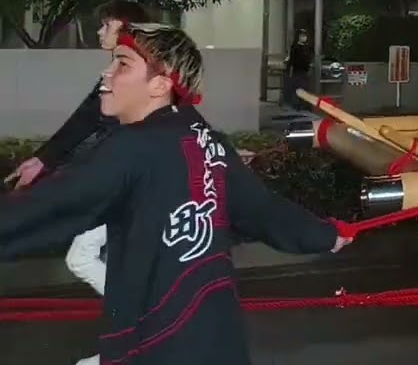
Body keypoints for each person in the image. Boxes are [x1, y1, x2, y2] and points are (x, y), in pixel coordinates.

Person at [0, 23, 349, 365]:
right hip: (218, 339)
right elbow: (264, 211)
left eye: (122, 64)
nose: (106, 74)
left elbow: (47, 208)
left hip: (157, 343)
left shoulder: (133, 145)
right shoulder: (208, 140)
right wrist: (326, 234)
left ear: (161, 84)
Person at [5, 0, 150, 319]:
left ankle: (143, 317)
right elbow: (85, 119)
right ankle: (142, 319)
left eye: (107, 24)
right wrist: (42, 160)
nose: (99, 31)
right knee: (101, 257)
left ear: (126, 28)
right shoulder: (121, 69)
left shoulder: (140, 72)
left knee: (83, 256)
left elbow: (172, 120)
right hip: (122, 182)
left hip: (131, 183)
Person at [283, 29, 314, 109]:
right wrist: (288, 68)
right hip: (297, 70)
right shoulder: (295, 47)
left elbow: (309, 58)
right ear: (299, 37)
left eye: (304, 36)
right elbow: (292, 59)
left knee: (304, 87)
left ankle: (303, 104)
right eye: (302, 36)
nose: (304, 37)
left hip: (304, 70)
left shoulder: (307, 47)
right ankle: (296, 104)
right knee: (297, 87)